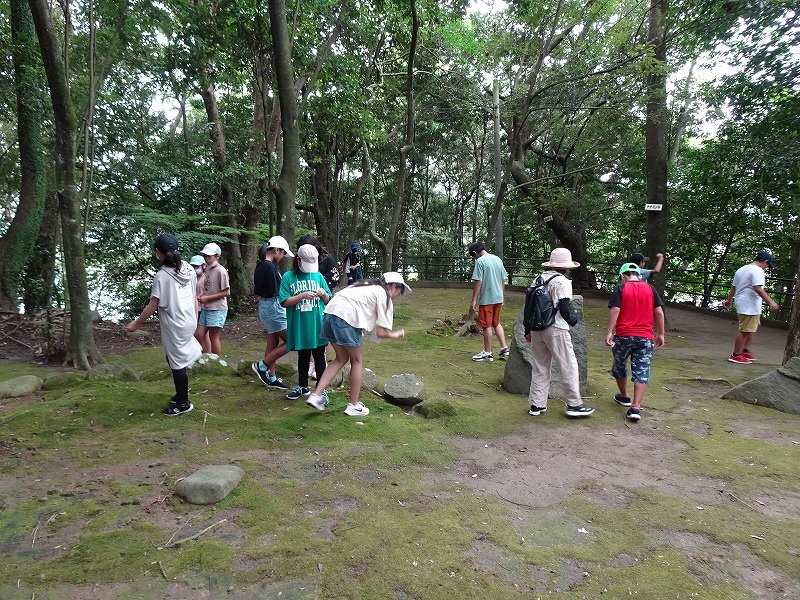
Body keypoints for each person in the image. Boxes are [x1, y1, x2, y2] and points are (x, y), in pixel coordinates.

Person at [305, 272, 410, 416]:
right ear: (394, 286)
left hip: (329, 315)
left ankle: (316, 395)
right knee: (357, 361)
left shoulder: (364, 285)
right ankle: (353, 405)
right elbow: (381, 333)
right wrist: (396, 334)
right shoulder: (384, 295)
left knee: (341, 358)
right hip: (346, 318)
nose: (399, 295)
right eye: (400, 291)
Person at [127, 234, 202, 416]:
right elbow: (193, 296)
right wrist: (195, 319)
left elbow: (153, 305)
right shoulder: (189, 269)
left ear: (158, 252)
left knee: (177, 363)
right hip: (189, 319)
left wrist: (135, 324)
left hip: (175, 324)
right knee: (174, 358)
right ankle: (180, 394)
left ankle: (183, 403)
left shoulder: (162, 276)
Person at [526, 248, 595, 418]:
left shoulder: (538, 279)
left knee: (540, 366)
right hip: (556, 328)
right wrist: (572, 320)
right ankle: (574, 404)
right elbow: (564, 308)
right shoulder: (562, 282)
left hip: (536, 329)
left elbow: (529, 306)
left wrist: (527, 329)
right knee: (568, 365)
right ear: (566, 266)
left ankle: (537, 404)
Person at [605, 262, 666, 422]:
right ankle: (636, 407)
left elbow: (615, 309)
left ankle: (625, 396)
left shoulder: (620, 288)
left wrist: (609, 331)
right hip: (645, 337)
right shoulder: (651, 289)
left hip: (623, 336)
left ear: (622, 276)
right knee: (642, 369)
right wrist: (661, 333)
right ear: (639, 276)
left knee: (619, 365)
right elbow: (659, 312)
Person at [279, 244, 332, 400]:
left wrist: (324, 294)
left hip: (317, 325)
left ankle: (321, 390)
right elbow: (284, 301)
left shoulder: (318, 276)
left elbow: (328, 300)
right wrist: (301, 296)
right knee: (303, 356)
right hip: (300, 325)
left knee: (319, 357)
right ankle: (303, 387)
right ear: (298, 260)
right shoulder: (288, 277)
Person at [722, 250, 779, 364]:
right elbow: (757, 288)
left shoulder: (741, 269)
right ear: (765, 262)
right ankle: (735, 355)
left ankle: (744, 350)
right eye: (767, 266)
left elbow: (734, 287)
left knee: (751, 329)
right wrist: (771, 302)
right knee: (745, 330)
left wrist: (729, 300)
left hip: (744, 302)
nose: (766, 268)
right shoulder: (757, 270)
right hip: (749, 304)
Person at [251, 236, 293, 389]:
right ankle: (262, 366)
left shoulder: (262, 265)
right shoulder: (268, 267)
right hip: (273, 307)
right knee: (292, 341)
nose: (282, 257)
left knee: (273, 342)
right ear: (276, 250)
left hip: (267, 306)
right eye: (282, 253)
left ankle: (271, 376)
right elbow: (276, 291)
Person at [297, 234, 339, 380]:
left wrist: (320, 283)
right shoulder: (299, 262)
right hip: (304, 302)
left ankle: (320, 363)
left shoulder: (327, 259)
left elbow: (335, 278)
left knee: (321, 331)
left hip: (322, 297)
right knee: (307, 331)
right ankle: (310, 363)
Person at [467, 241, 510, 362]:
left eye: (474, 256)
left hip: (487, 298)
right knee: (496, 323)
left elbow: (478, 281)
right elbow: (503, 279)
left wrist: (474, 301)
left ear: (475, 253)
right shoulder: (497, 259)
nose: (475, 258)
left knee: (486, 325)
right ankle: (504, 348)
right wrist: (502, 296)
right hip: (498, 297)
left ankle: (487, 352)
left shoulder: (480, 261)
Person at [195, 242, 230, 355]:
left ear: (217, 256)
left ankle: (216, 361)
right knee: (199, 334)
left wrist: (208, 298)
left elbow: (227, 292)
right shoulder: (208, 269)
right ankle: (207, 356)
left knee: (213, 337)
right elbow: (209, 287)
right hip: (207, 307)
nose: (207, 259)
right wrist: (203, 296)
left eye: (209, 256)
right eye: (205, 256)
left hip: (217, 308)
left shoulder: (221, 271)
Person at [189, 255, 206, 319]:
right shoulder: (190, 278)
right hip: (193, 307)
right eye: (193, 267)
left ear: (203, 266)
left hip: (204, 308)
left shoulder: (206, 278)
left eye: (197, 266)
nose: (195, 269)